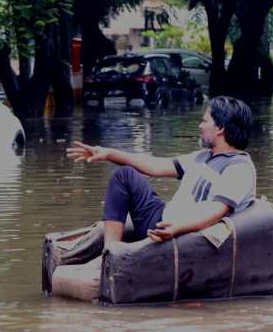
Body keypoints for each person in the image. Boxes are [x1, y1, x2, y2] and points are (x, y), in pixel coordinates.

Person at [66, 96, 256, 246]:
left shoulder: (239, 168)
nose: (200, 126)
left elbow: (216, 212)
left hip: (179, 231)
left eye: (204, 121)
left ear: (220, 128)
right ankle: (112, 250)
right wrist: (108, 153)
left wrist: (177, 228)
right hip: (162, 217)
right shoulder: (204, 156)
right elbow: (155, 166)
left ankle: (115, 257)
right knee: (124, 176)